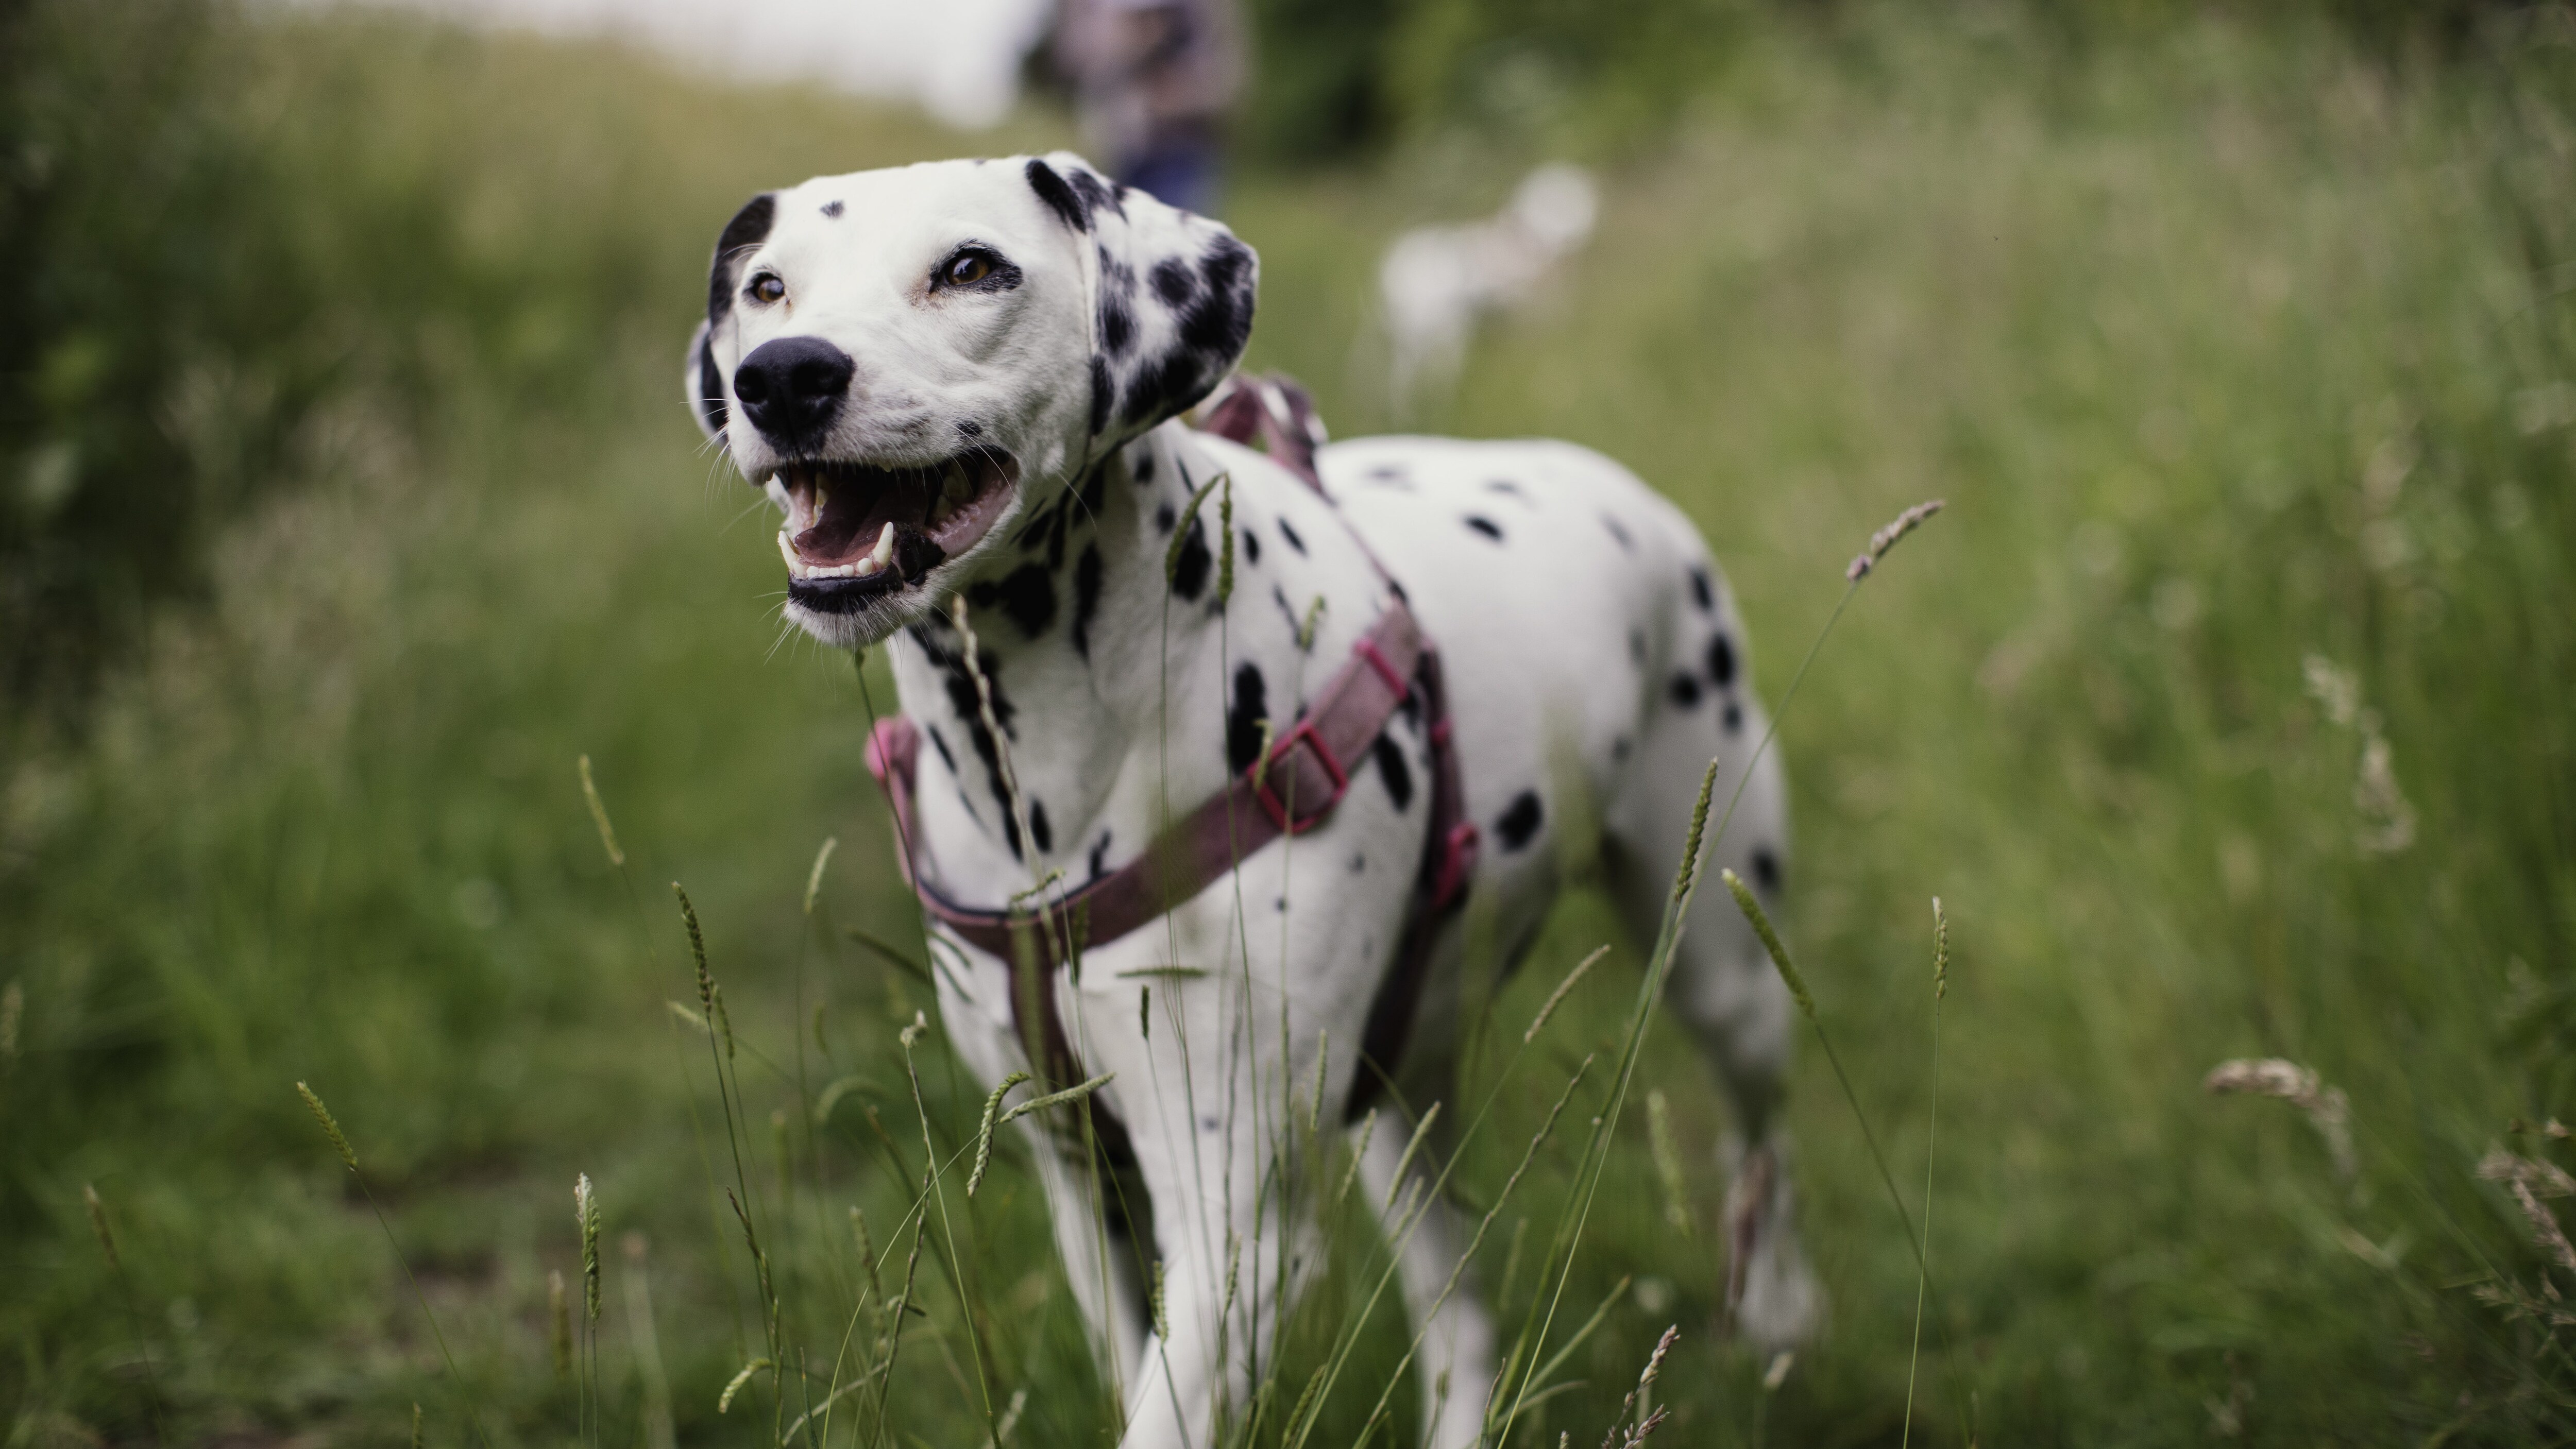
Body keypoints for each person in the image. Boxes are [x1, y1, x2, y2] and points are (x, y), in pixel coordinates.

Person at [1050, 0, 1244, 216]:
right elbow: (1073, 56)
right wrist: (1127, 43)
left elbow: (1226, 64)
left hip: (1184, 144)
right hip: (1116, 147)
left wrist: (1186, 94)